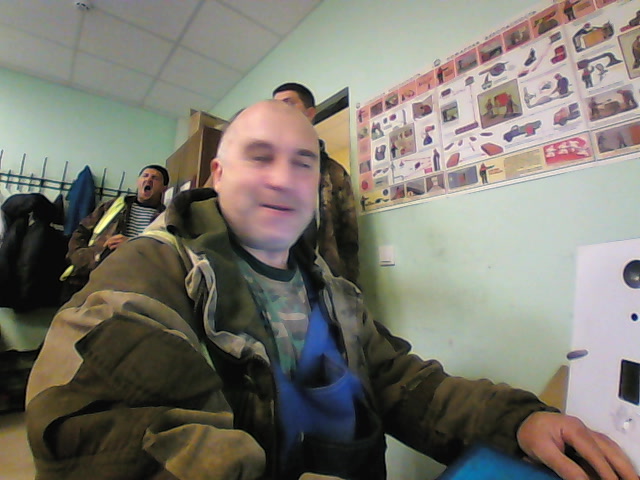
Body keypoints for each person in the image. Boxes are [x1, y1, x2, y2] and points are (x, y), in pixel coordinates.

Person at [25, 101, 637, 480]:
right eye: (259, 156)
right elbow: (92, 434)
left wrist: (518, 420)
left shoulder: (333, 289)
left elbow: (401, 384)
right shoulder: (148, 272)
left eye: (302, 162)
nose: (282, 178)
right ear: (218, 173)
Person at [273, 82, 359, 284]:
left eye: (288, 103)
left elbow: (349, 239)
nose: (280, 111)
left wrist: (350, 287)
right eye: (275, 106)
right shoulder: (264, 162)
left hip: (322, 281)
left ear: (310, 113)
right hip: (273, 280)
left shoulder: (335, 173)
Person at [59, 164, 169, 302]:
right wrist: (82, 257)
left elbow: (163, 253)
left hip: (129, 286)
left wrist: (132, 245)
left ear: (164, 188)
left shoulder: (165, 219)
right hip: (88, 277)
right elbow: (81, 231)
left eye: (155, 178)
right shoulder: (113, 206)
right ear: (138, 181)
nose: (148, 180)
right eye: (145, 176)